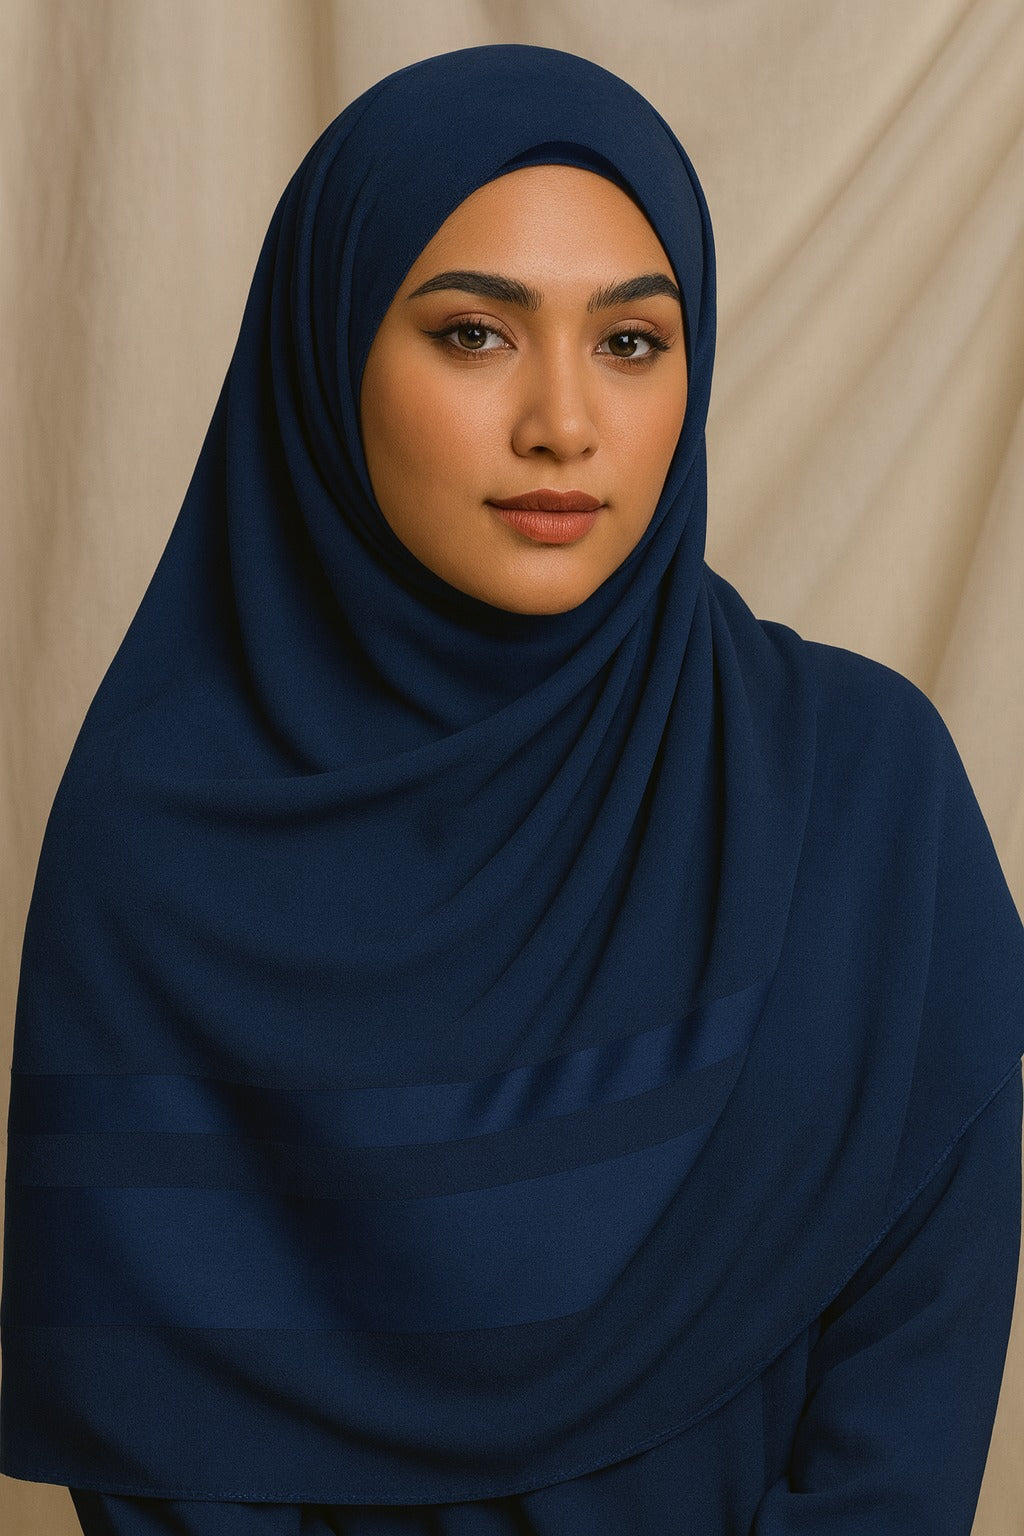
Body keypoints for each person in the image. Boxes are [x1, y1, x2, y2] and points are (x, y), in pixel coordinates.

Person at [1, 42, 1022, 1536]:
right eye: (475, 335)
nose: (564, 422)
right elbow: (171, 1466)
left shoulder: (865, 804)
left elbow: (902, 1428)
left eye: (631, 342)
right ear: (325, 350)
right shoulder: (160, 851)